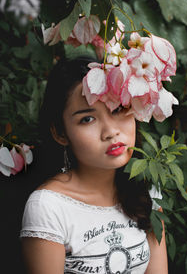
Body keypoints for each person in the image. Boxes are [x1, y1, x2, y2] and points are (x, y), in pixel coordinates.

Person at [19, 55, 168, 274]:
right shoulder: (48, 207)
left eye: (117, 110)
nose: (110, 132)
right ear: (60, 133)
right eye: (87, 119)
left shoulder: (145, 188)